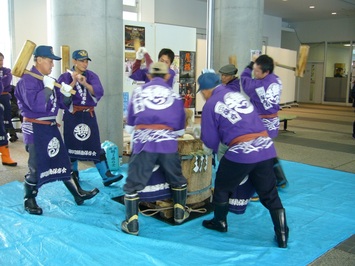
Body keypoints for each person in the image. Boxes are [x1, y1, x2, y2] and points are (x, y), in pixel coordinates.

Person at [197, 72, 289, 248]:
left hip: (242, 150)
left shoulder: (211, 104)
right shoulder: (236, 95)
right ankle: (282, 234)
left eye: (202, 92)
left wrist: (213, 151)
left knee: (222, 186)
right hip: (265, 147)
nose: (202, 95)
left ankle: (220, 222)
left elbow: (209, 139)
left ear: (207, 90)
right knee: (269, 194)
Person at [15, 45, 99, 215]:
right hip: (35, 127)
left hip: (51, 127)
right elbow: (37, 106)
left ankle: (78, 194)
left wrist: (66, 94)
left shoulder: (48, 79)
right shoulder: (27, 81)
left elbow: (60, 105)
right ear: (39, 60)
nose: (52, 65)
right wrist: (47, 88)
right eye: (49, 61)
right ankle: (29, 199)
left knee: (63, 161)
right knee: (36, 166)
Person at [121, 62, 189, 236]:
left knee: (133, 185)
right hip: (167, 143)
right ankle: (180, 214)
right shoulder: (174, 96)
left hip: (144, 143)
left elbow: (129, 128)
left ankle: (132, 223)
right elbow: (180, 130)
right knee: (177, 179)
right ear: (167, 76)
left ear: (149, 76)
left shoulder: (137, 93)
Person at [58, 50, 123, 187]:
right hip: (72, 115)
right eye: (81, 61)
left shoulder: (92, 76)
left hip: (88, 115)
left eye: (86, 61)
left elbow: (99, 92)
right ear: (74, 61)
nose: (85, 64)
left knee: (94, 144)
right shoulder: (65, 77)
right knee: (71, 146)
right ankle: (73, 174)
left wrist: (86, 83)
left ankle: (106, 175)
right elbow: (62, 97)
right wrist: (74, 81)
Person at [241, 54, 288, 188]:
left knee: (257, 154)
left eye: (257, 71)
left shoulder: (257, 86)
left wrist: (250, 64)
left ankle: (261, 186)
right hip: (272, 122)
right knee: (266, 150)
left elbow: (244, 79)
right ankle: (280, 178)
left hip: (260, 124)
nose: (254, 73)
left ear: (266, 71)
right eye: (254, 70)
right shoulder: (276, 80)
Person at [0, 53, 17, 166]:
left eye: (1, 60)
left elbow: (5, 84)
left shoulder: (7, 71)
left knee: (2, 128)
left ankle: (6, 157)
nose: (0, 62)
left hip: (4, 98)